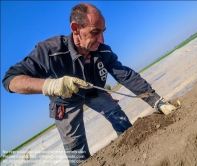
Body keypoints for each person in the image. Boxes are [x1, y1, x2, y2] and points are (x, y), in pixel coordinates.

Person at [2, 3, 177, 166]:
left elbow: (126, 76)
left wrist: (156, 101)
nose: (101, 39)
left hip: (94, 92)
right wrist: (51, 86)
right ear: (75, 28)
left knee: (120, 119)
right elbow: (10, 80)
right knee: (76, 151)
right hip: (65, 101)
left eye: (103, 31)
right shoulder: (50, 50)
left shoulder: (104, 51)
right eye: (95, 32)